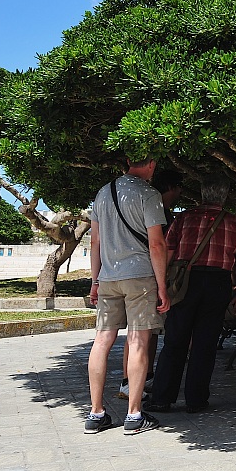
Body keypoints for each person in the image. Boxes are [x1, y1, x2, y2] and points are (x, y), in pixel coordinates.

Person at [146, 181, 236, 414]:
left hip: (186, 282)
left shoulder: (184, 218)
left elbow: (168, 252)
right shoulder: (234, 222)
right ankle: (196, 400)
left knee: (175, 340)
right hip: (218, 283)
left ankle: (162, 398)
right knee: (205, 344)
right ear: (224, 197)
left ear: (203, 194)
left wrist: (162, 285)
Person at [86, 157, 169, 435]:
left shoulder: (103, 192)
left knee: (102, 341)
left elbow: (95, 241)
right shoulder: (149, 194)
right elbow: (156, 244)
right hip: (140, 277)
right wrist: (162, 286)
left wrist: (95, 281)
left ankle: (96, 414)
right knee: (138, 341)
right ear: (151, 164)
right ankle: (134, 415)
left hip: (108, 277)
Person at [117, 167, 184, 401]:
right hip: (149, 277)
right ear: (173, 188)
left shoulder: (137, 204)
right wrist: (162, 283)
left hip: (124, 274)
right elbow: (160, 247)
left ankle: (135, 379)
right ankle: (134, 381)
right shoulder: (158, 211)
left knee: (139, 332)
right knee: (144, 333)